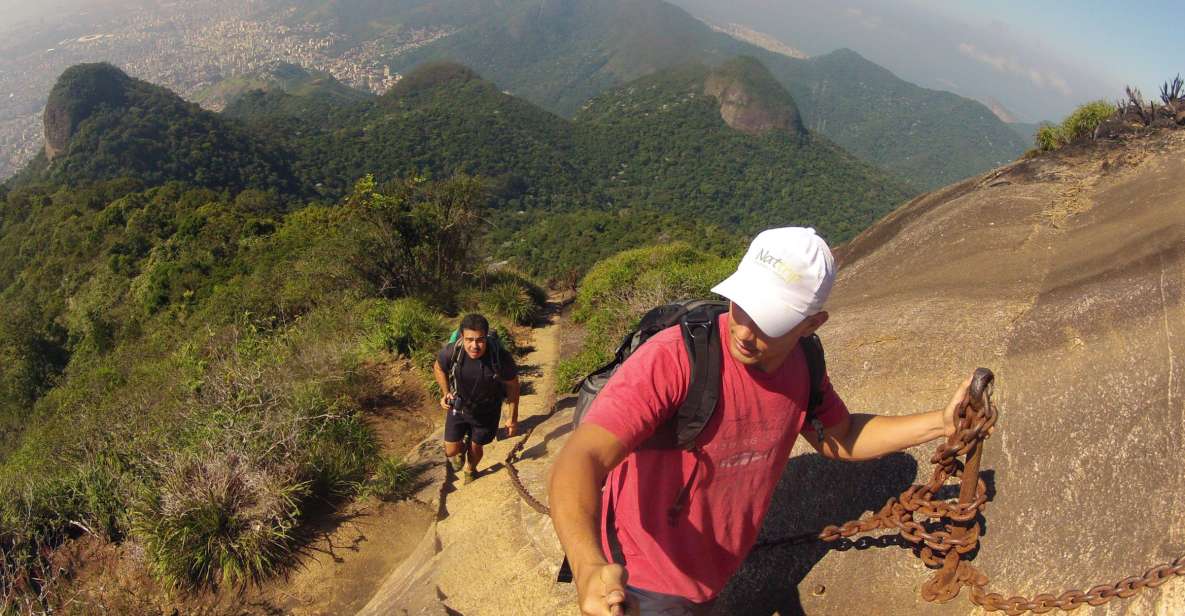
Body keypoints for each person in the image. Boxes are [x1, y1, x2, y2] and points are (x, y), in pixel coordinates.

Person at [549, 227, 973, 616]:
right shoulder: (674, 359)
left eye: (770, 319)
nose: (745, 330)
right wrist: (589, 566)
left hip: (712, 576)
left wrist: (941, 422)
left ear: (811, 324)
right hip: (640, 577)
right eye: (743, 304)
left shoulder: (804, 365)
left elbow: (840, 437)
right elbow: (582, 456)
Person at [433, 313, 520, 484]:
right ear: (462, 337)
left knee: (476, 447)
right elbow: (438, 367)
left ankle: (471, 469)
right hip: (459, 406)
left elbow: (513, 386)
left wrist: (513, 418)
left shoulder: (500, 358)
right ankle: (462, 446)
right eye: (469, 340)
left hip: (487, 411)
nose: (474, 346)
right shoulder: (453, 351)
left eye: (480, 340)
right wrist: (446, 392)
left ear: (486, 337)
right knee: (450, 451)